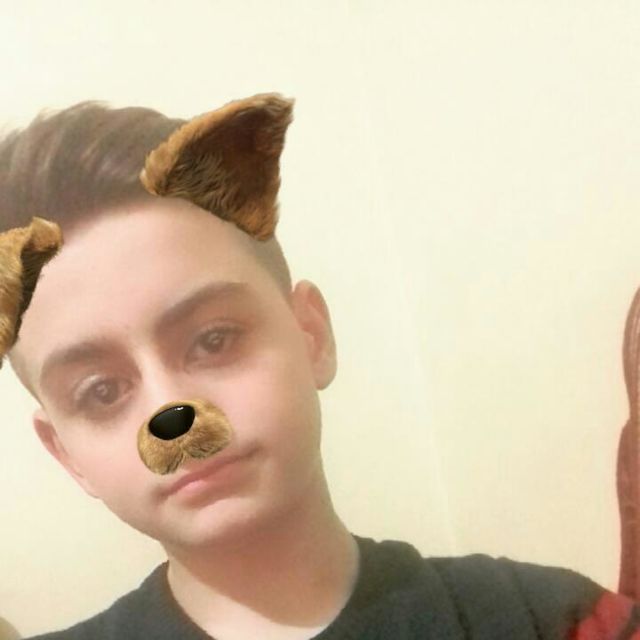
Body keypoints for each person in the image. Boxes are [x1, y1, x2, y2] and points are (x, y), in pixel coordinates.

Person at [1, 95, 638, 640]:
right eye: (102, 391)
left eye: (213, 341)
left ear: (312, 335)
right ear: (65, 453)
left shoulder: (558, 623)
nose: (173, 416)